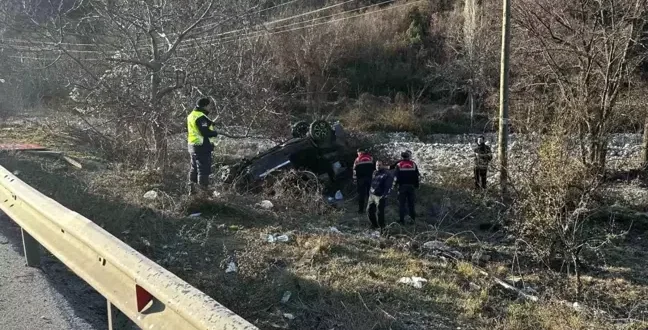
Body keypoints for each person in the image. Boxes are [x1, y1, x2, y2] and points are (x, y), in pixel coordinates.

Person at [187, 97, 218, 195]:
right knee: (203, 171)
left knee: (194, 169)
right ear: (205, 105)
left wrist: (211, 123)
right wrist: (215, 133)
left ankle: (192, 192)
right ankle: (203, 194)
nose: (210, 108)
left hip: (192, 146)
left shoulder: (191, 115)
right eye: (209, 105)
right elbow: (204, 131)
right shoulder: (201, 116)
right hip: (202, 146)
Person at [394, 151, 420, 224]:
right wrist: (417, 185)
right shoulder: (413, 164)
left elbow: (396, 177)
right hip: (411, 187)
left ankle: (402, 220)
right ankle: (412, 220)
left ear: (402, 157)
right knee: (411, 204)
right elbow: (417, 176)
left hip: (402, 187)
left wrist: (395, 185)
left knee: (401, 204)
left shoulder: (399, 165)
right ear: (408, 157)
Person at [367, 161, 394, 233]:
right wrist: (370, 192)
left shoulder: (387, 174)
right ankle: (374, 226)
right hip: (372, 195)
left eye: (379, 165)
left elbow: (388, 186)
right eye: (377, 165)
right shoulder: (375, 172)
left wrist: (384, 195)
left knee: (380, 213)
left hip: (380, 196)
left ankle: (383, 229)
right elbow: (372, 182)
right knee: (369, 211)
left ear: (383, 165)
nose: (378, 166)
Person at [353, 148, 375, 214]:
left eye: (358, 153)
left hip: (361, 180)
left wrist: (354, 180)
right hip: (370, 179)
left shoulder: (357, 159)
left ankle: (361, 210)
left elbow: (354, 171)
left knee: (361, 195)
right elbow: (375, 168)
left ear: (360, 152)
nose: (358, 154)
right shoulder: (371, 158)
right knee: (370, 194)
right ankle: (371, 210)